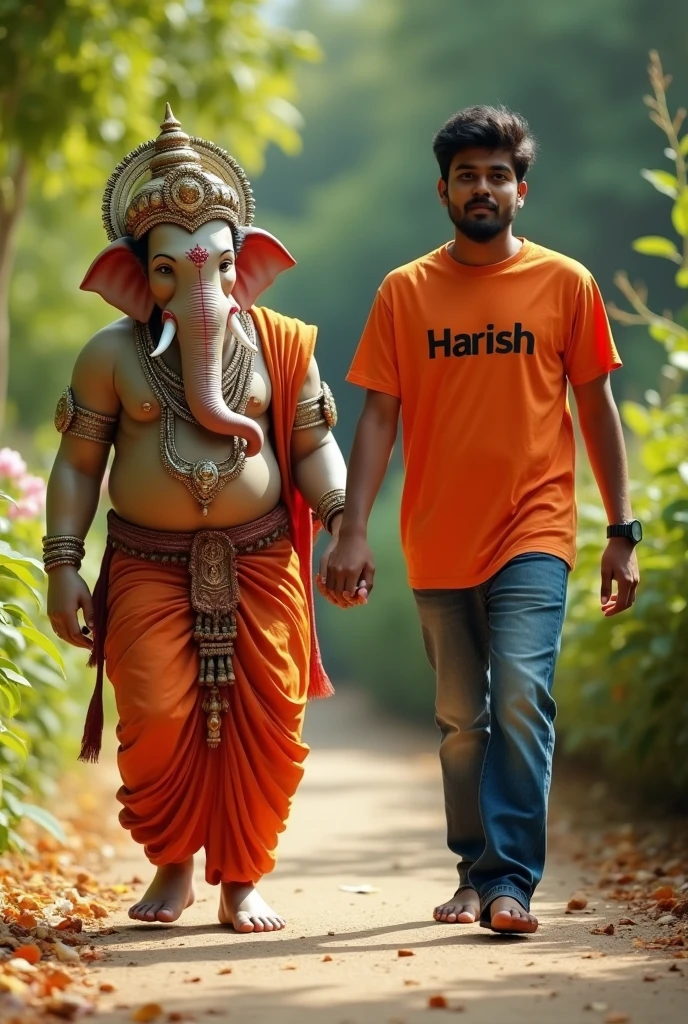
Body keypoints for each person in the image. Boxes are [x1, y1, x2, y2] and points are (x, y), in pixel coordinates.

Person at [320, 105, 641, 934]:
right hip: (437, 537)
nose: (483, 187)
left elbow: (597, 408)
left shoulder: (566, 285)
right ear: (444, 191)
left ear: (522, 191)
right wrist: (352, 529)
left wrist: (621, 529)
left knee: (525, 697)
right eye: (468, 175)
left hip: (536, 529)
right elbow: (378, 417)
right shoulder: (406, 291)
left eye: (498, 174)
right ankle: (473, 869)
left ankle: (510, 883)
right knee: (463, 721)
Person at [44, 106, 355, 934]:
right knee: (152, 710)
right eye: (171, 273)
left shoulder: (281, 345)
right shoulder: (110, 355)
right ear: (132, 276)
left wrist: (339, 512)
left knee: (268, 717)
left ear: (247, 267)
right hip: (147, 563)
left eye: (217, 266)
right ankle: (173, 865)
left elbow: (314, 445)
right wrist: (64, 563)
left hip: (260, 560)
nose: (200, 288)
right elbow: (78, 465)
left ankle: (243, 878)